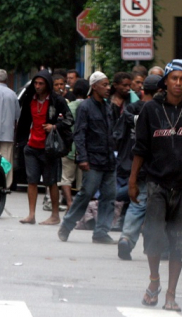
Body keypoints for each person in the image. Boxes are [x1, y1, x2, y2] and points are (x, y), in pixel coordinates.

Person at [130, 60, 182, 312]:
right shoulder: (150, 110)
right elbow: (140, 149)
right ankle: (154, 280)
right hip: (157, 183)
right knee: (153, 238)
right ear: (165, 81)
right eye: (174, 78)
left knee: (181, 242)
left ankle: (171, 293)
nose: (178, 83)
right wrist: (133, 181)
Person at [58, 72, 117, 244]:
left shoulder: (108, 107)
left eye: (108, 85)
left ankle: (101, 232)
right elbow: (80, 134)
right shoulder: (85, 107)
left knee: (109, 196)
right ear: (95, 86)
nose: (108, 88)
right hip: (92, 159)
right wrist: (82, 158)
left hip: (108, 159)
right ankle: (67, 225)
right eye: (104, 85)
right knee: (86, 194)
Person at [17, 70, 73, 225]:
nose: (37, 86)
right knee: (32, 181)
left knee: (51, 182)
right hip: (31, 146)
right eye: (35, 83)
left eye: (41, 83)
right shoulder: (30, 99)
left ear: (47, 85)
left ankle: (55, 216)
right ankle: (31, 215)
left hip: (49, 148)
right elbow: (23, 120)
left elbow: (69, 119)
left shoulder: (57, 101)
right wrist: (21, 142)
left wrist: (55, 126)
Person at [116, 75, 162, 260]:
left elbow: (118, 136)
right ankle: (161, 248)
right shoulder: (161, 111)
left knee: (137, 205)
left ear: (143, 91)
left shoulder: (131, 110)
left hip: (133, 164)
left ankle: (126, 238)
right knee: (160, 208)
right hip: (156, 166)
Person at [59, 79, 89, 208]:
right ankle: (80, 206)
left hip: (69, 148)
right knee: (83, 182)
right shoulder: (89, 107)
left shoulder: (68, 107)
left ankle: (69, 202)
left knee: (66, 178)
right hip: (84, 150)